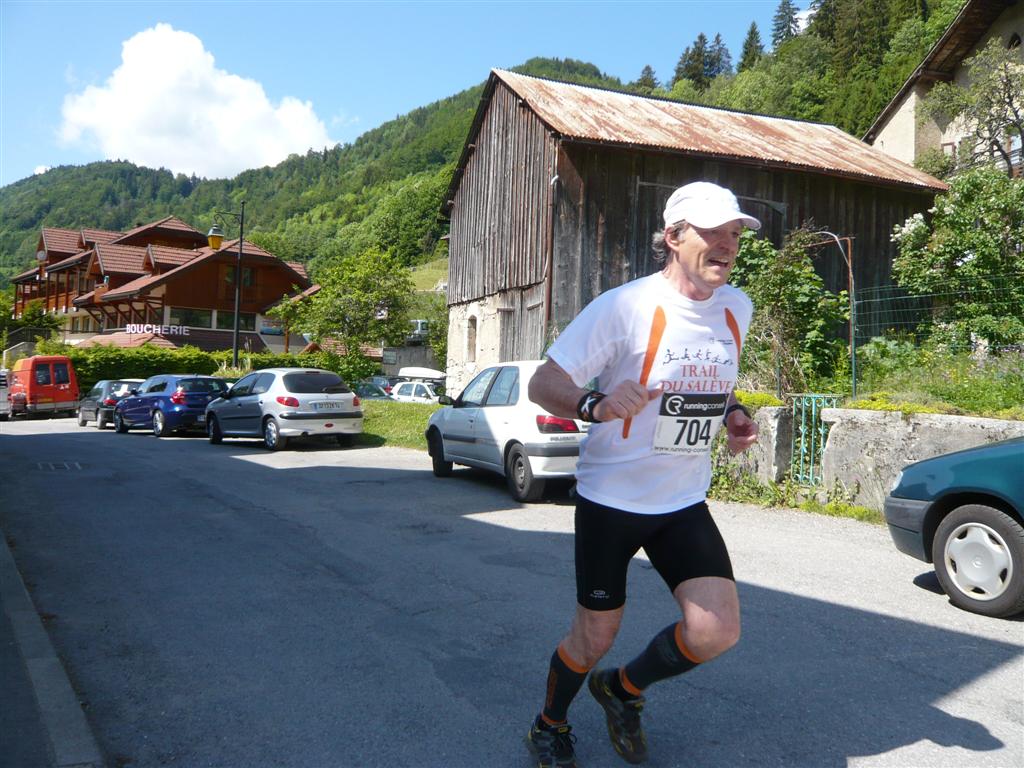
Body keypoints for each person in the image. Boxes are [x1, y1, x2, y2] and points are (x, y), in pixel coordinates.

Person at [523, 181, 762, 767]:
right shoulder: (624, 307)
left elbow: (713, 382)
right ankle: (549, 725)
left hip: (681, 500)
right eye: (712, 231)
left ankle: (621, 690)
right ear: (673, 237)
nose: (727, 244)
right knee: (594, 635)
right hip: (612, 499)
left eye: (734, 233)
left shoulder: (737, 308)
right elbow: (543, 384)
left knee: (716, 631)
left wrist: (732, 414)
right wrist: (595, 405)